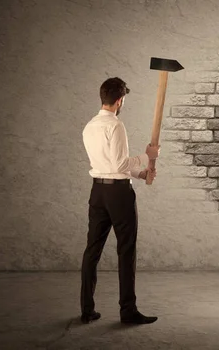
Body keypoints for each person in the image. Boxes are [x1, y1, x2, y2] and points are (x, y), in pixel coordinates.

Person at [80, 77, 160, 325]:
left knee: (92, 250)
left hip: (98, 192)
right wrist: (146, 156)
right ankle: (128, 311)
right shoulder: (115, 125)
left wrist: (141, 173)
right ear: (119, 100)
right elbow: (118, 164)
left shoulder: (89, 126)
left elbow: (108, 167)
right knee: (126, 250)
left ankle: (87, 309)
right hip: (119, 195)